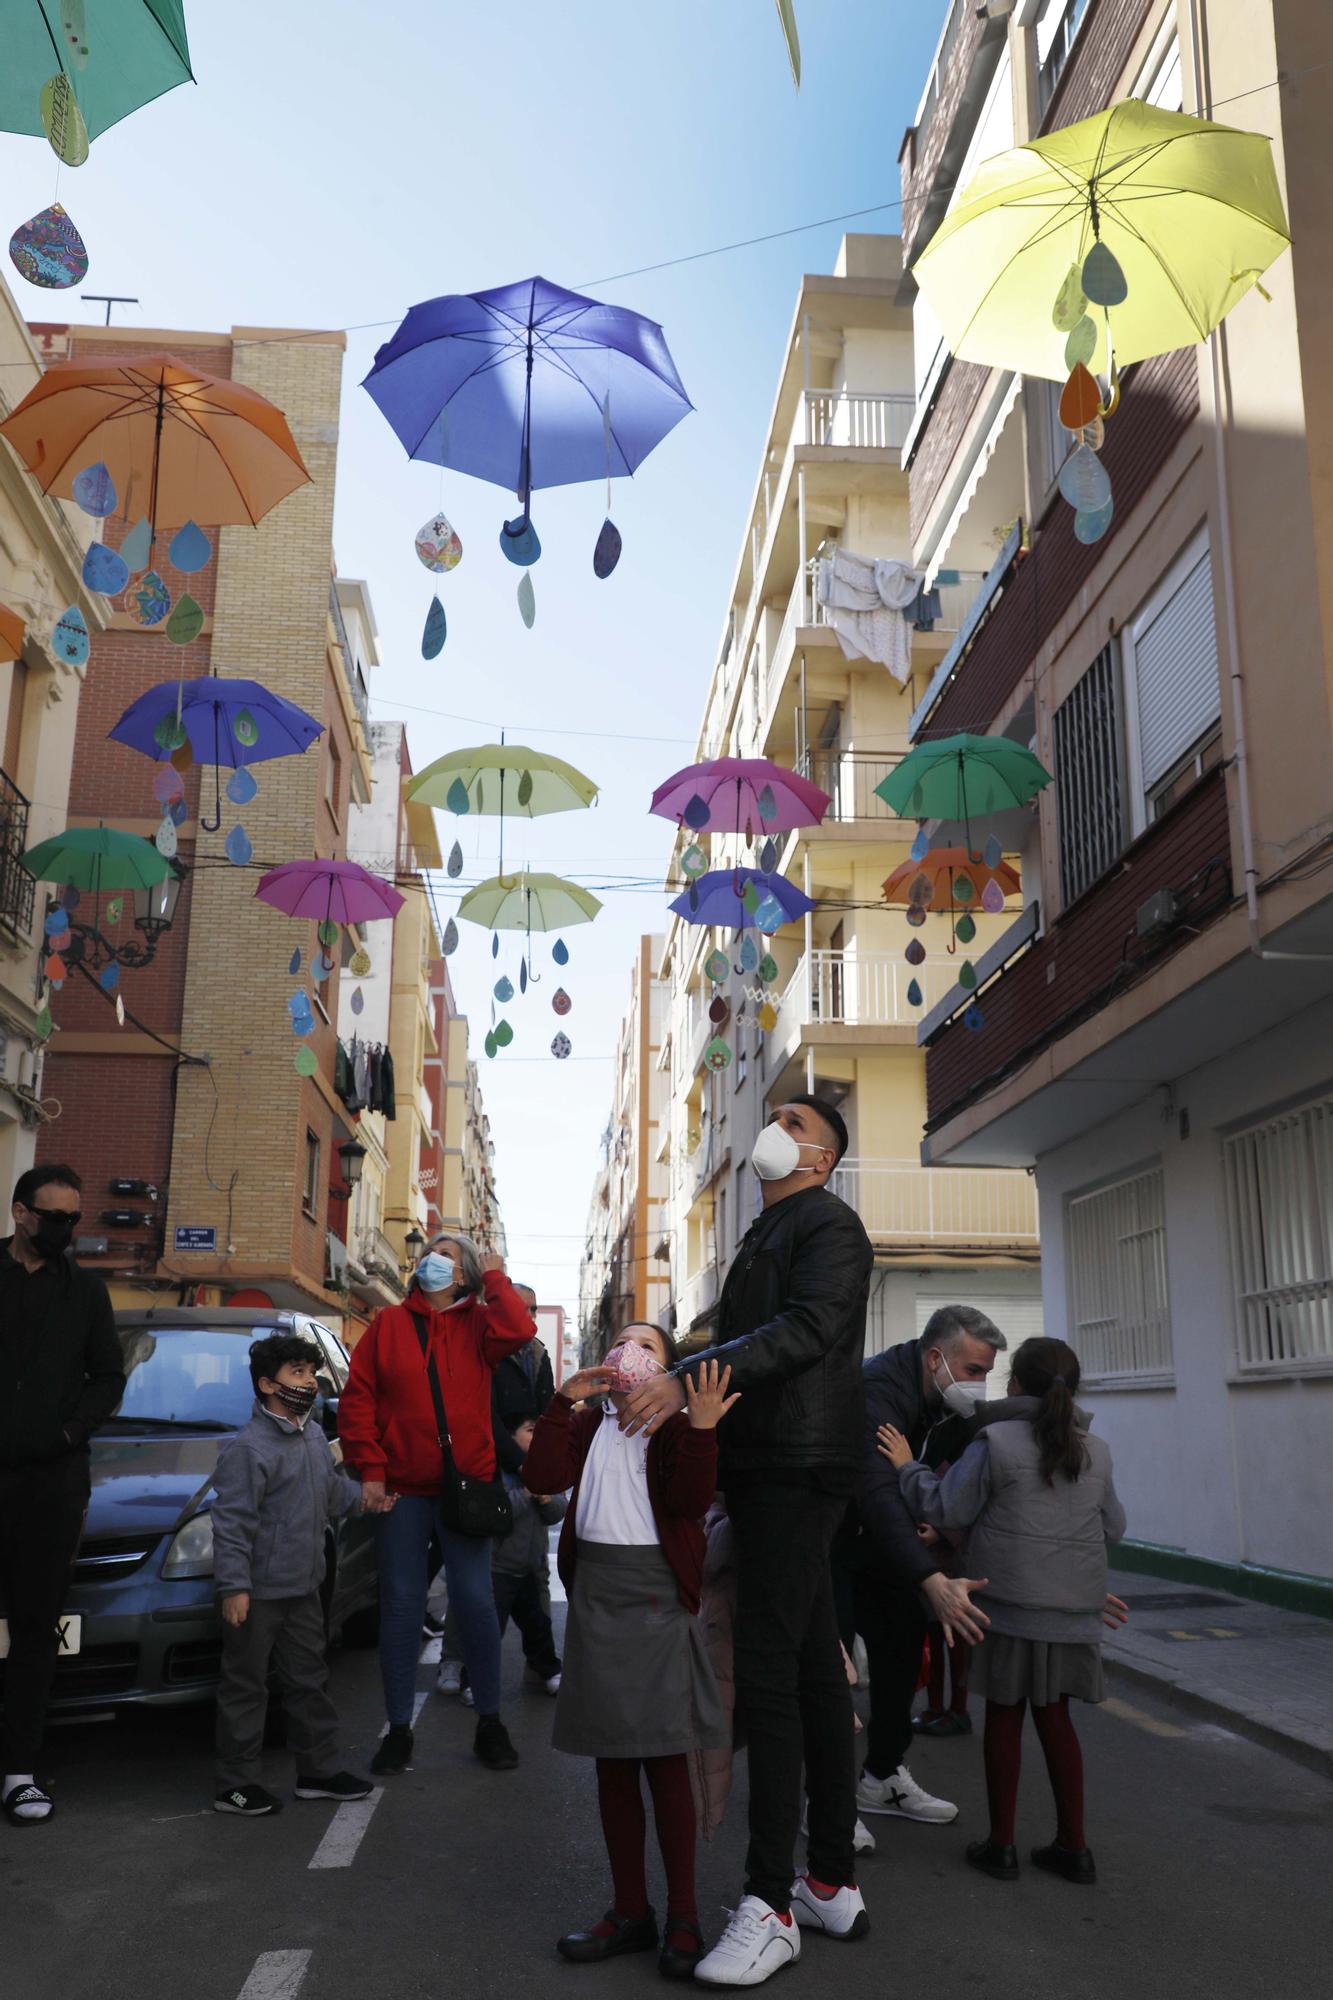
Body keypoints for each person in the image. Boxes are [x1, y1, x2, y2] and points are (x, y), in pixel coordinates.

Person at [622, 1096, 873, 1989]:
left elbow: (804, 1331)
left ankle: (767, 1904)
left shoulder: (830, 1226)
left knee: (766, 1674)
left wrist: (685, 1374)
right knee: (811, 1670)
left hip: (799, 1464)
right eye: (768, 1113)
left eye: (791, 1118)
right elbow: (741, 1337)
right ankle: (828, 1879)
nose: (770, 1125)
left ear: (820, 1155)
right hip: (768, 1460)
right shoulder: (767, 1233)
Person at [523, 1325, 735, 1982]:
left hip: (655, 1598)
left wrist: (699, 1429)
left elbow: (689, 1501)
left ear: (667, 1367)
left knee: (667, 1762)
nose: (629, 1352)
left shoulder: (674, 1425)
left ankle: (682, 1916)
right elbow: (541, 1477)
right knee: (612, 1765)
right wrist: (564, 1402)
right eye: (621, 1342)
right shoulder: (588, 1425)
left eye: (647, 1345)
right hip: (596, 1600)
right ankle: (628, 1910)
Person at [878, 1335, 1127, 1885]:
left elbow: (946, 1505)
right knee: (1057, 1721)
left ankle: (1003, 1846)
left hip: (1007, 1608)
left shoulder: (995, 1440)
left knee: (1006, 1720)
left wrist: (904, 1466)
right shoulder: (1097, 1449)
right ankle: (1074, 1847)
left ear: (1015, 1383)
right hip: (1071, 1614)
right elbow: (1110, 1528)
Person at [338, 1234, 534, 1773]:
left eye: (448, 1254)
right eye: (431, 1250)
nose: (434, 1259)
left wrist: (497, 1278)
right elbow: (359, 1398)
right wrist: (371, 1470)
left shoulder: (481, 1326)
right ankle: (398, 1728)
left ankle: (490, 1722)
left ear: (466, 1274)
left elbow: (521, 1328)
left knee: (475, 1601)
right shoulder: (389, 1325)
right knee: (401, 1605)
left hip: (464, 1486)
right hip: (401, 1489)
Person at [211, 1332, 386, 1816]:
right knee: (246, 1686)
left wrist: (366, 1498)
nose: (308, 1382)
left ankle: (318, 1772)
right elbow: (232, 1523)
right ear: (268, 1385)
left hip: (304, 1586)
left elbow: (329, 1492)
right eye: (297, 1373)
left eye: (311, 1373)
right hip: (259, 1593)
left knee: (309, 1680)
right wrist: (235, 1587)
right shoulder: (249, 1449)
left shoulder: (309, 1434)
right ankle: (235, 1785)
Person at [845, 1305, 1005, 1828]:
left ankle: (882, 1777)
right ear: (937, 1357)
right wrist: (929, 1576)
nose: (982, 1385)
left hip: (890, 1547)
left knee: (901, 1649)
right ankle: (820, 1802)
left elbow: (987, 1457)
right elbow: (875, 1492)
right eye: (975, 1371)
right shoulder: (877, 1391)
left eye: (989, 1372)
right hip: (834, 1543)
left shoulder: (946, 1402)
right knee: (829, 1676)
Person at [0, 1163, 124, 1827]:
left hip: (51, 1485)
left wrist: (69, 1429)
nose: (66, 1230)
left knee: (33, 1631)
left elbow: (108, 1377)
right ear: (20, 1213)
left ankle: (19, 1772)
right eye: (55, 1217)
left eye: (74, 1219)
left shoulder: (86, 1293)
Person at [437, 1278, 561, 1699]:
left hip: (524, 1461)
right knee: (479, 1574)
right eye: (517, 1307)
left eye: (531, 1308)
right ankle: (455, 1660)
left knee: (534, 1576)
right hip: (492, 1464)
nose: (525, 1315)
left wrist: (540, 1462)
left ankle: (540, 1664)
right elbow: (482, 1416)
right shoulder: (486, 1351)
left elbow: (547, 1414)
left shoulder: (538, 1355)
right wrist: (522, 1463)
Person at [488, 1417, 564, 1687]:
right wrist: (526, 1494)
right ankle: (473, 1679)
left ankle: (549, 1670)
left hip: (531, 1566)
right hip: (498, 1568)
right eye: (531, 1431)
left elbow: (558, 1510)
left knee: (537, 1627)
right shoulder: (496, 1470)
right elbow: (495, 1515)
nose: (538, 1437)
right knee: (489, 1629)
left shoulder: (544, 1466)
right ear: (510, 1437)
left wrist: (546, 1499)